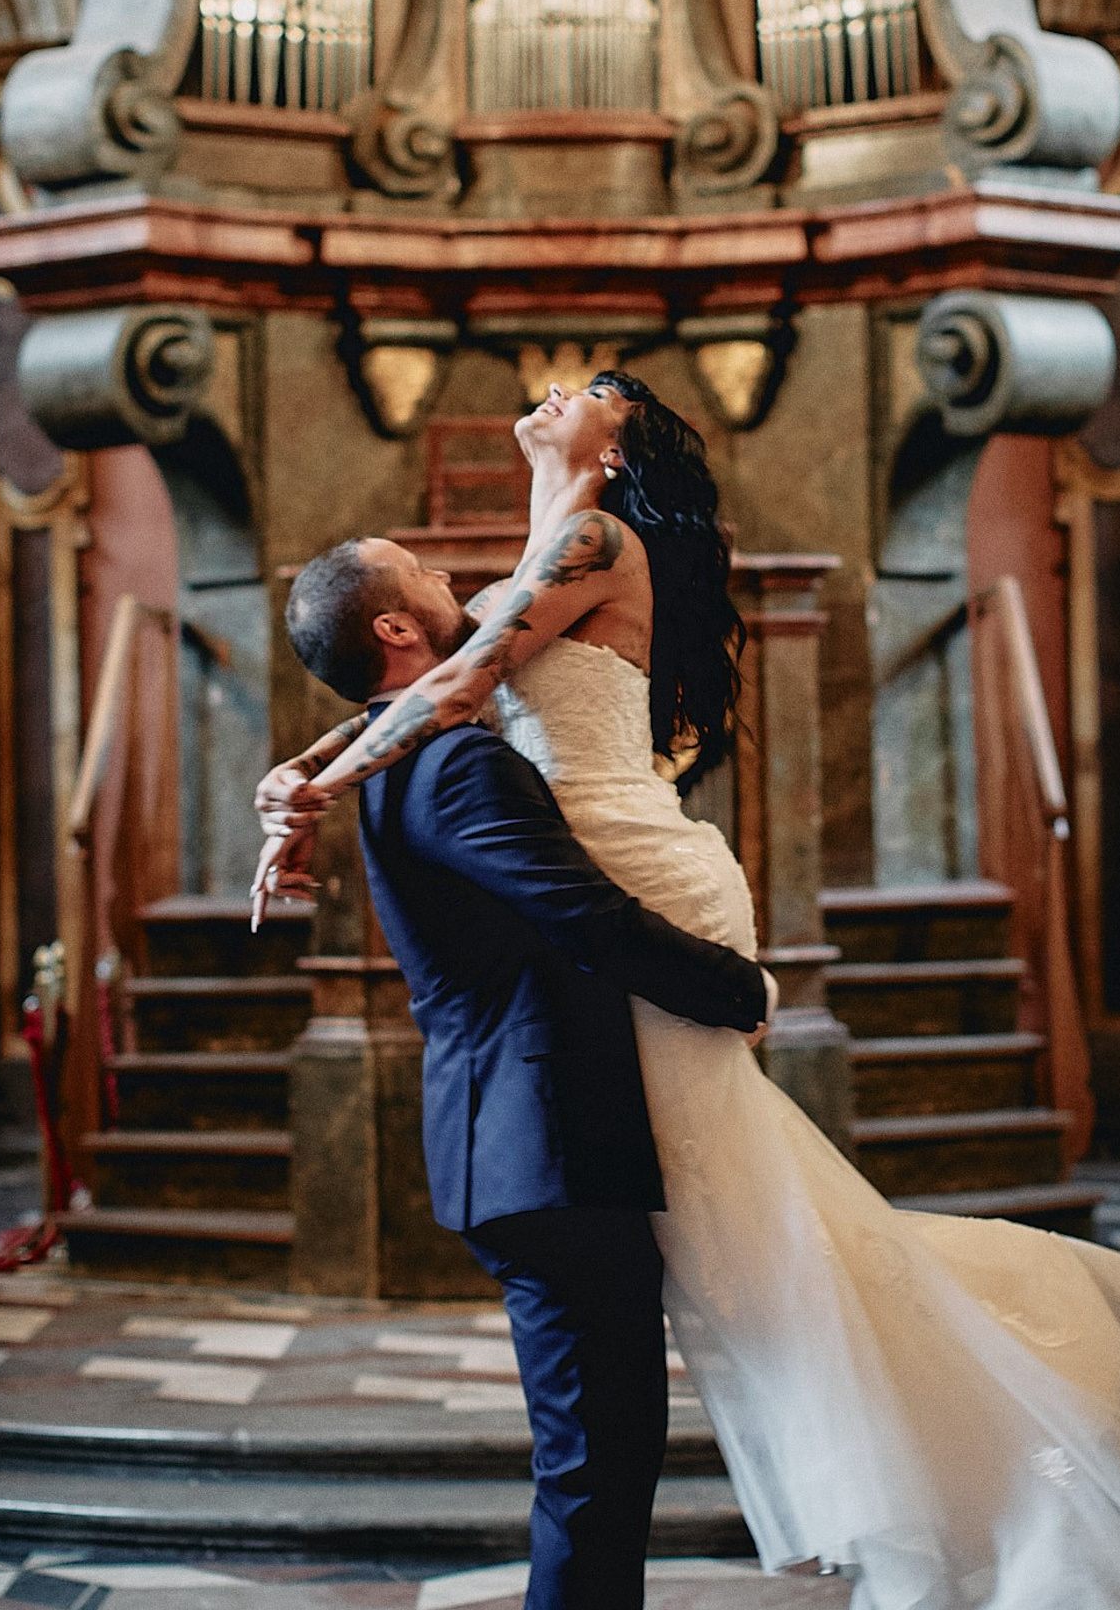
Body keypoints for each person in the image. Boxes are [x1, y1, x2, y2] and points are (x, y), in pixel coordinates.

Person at [260, 374, 1120, 1610]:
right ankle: (948, 1421)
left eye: (598, 392)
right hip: (583, 992)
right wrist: (290, 785)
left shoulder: (585, 543)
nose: (569, 384)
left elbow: (447, 689)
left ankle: (963, 1438)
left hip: (630, 898)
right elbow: (433, 685)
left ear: (615, 452)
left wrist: (309, 793)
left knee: (640, 1379)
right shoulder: (525, 577)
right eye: (423, 577)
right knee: (737, 1279)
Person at [279, 532, 772, 1610]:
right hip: (548, 1144)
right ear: (398, 629)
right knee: (595, 1478)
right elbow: (584, 917)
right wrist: (739, 989)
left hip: (520, 1143)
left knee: (600, 1468)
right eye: (429, 575)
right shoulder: (456, 766)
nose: (458, 584)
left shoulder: (397, 754)